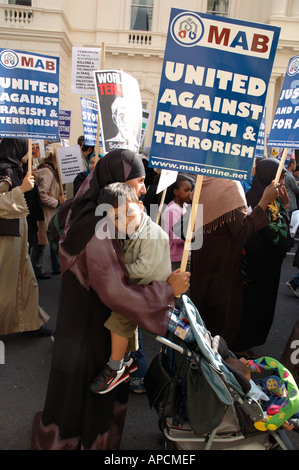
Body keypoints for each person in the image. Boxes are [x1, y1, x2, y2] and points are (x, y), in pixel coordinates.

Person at [31, 149, 190, 450]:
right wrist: (168, 290)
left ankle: (61, 436)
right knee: (92, 388)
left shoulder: (82, 209)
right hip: (95, 323)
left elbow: (56, 237)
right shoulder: (101, 227)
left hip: (77, 316)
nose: (144, 188)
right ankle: (83, 443)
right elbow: (117, 292)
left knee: (71, 386)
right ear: (117, 181)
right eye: (139, 181)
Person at [90, 182, 172, 394]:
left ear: (141, 207)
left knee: (120, 318)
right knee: (122, 313)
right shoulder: (131, 232)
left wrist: (117, 272)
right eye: (116, 218)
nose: (124, 221)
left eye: (128, 213)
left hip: (155, 293)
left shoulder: (152, 234)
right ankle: (128, 358)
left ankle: (115, 367)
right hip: (140, 289)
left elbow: (145, 268)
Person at [189, 175, 281, 350]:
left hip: (202, 263)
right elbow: (242, 230)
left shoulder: (203, 183)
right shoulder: (228, 185)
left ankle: (200, 361)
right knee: (221, 320)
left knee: (202, 316)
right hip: (223, 267)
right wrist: (264, 201)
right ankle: (215, 365)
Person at [234, 158, 292, 355]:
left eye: (284, 177)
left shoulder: (274, 201)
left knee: (263, 308)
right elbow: (282, 238)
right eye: (280, 178)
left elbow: (285, 233)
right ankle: (240, 348)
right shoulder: (254, 199)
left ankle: (247, 345)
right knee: (252, 306)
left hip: (269, 266)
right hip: (256, 265)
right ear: (268, 177)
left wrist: (285, 206)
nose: (282, 183)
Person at [0, 138, 50, 336]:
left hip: (16, 236)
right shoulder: (4, 171)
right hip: (6, 238)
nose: (29, 153)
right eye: (26, 148)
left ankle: (29, 324)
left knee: (26, 281)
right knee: (9, 284)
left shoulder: (13, 168)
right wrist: (22, 189)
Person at [30, 143, 67, 279]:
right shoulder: (47, 171)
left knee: (49, 240)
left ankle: (52, 266)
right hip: (46, 213)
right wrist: (57, 202)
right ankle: (36, 268)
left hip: (50, 212)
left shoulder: (51, 170)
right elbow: (42, 194)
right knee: (42, 243)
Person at [162, 174, 193, 272]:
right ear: (176, 192)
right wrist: (192, 236)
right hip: (177, 258)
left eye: (191, 190)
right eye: (186, 190)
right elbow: (177, 238)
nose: (190, 193)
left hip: (185, 255)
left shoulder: (185, 207)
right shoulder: (172, 211)